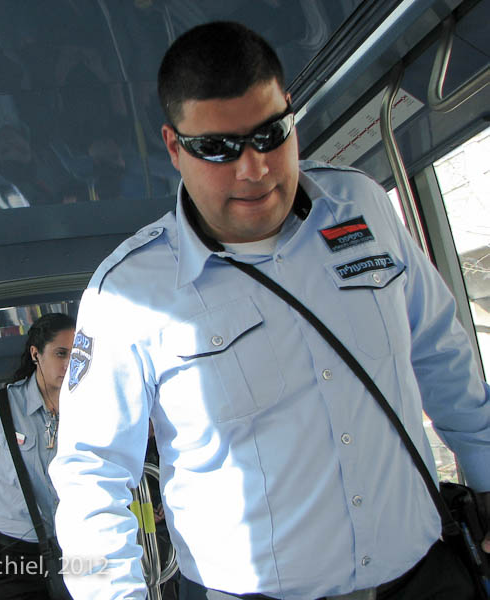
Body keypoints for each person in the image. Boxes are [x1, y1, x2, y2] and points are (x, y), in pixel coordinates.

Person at [49, 21, 490, 600]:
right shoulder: (127, 295)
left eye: (270, 134)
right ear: (173, 148)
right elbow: (89, 478)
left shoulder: (361, 207)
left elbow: (439, 348)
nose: (252, 168)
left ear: (289, 111)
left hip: (426, 580)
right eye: (217, 148)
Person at [0, 312, 75, 600]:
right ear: (36, 353)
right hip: (13, 553)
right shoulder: (2, 406)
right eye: (60, 353)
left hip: (73, 545)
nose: (68, 363)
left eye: (74, 354)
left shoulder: (85, 406)